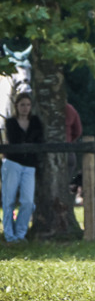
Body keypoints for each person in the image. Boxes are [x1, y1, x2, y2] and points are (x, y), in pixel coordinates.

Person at [2, 92, 43, 242]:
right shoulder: (11, 122)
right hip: (13, 163)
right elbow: (15, 140)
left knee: (27, 201)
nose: (25, 108)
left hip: (30, 164)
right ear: (17, 106)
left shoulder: (35, 121)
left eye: (27, 105)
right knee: (9, 200)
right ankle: (9, 235)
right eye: (22, 105)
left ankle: (20, 233)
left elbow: (39, 139)